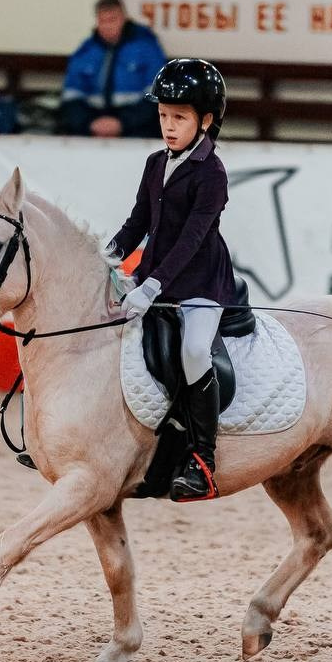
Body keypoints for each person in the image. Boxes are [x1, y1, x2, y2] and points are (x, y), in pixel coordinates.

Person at [108, 59, 237, 502]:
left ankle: (203, 460)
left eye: (179, 117)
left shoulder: (212, 174)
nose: (168, 125)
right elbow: (138, 222)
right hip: (154, 276)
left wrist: (151, 286)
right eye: (163, 115)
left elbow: (190, 241)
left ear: (205, 120)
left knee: (195, 351)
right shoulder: (153, 163)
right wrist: (108, 256)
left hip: (201, 282)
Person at [59, 0, 168, 139]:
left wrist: (122, 123)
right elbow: (71, 97)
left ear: (124, 18)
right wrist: (89, 123)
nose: (108, 26)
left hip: (136, 127)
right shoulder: (86, 51)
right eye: (102, 21)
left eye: (113, 20)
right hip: (92, 126)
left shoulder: (147, 48)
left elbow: (156, 99)